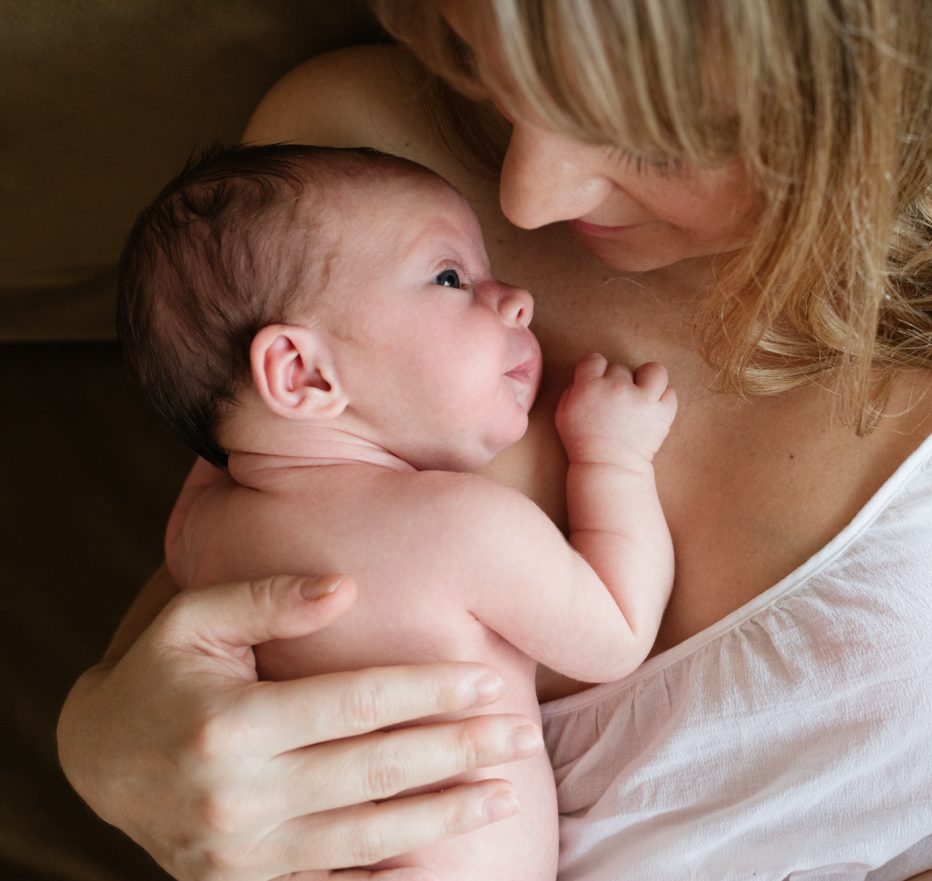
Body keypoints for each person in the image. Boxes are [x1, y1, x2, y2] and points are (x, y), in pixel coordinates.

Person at [58, 1, 932, 879]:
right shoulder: (346, 174)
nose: (527, 199)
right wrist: (101, 744)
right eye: (496, 61)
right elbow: (215, 612)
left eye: (649, 134)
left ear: (903, 76)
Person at [115, 142, 678, 880]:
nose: (515, 297)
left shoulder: (196, 535)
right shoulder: (460, 526)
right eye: (451, 276)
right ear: (303, 374)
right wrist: (614, 459)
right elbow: (616, 631)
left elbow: (218, 444)